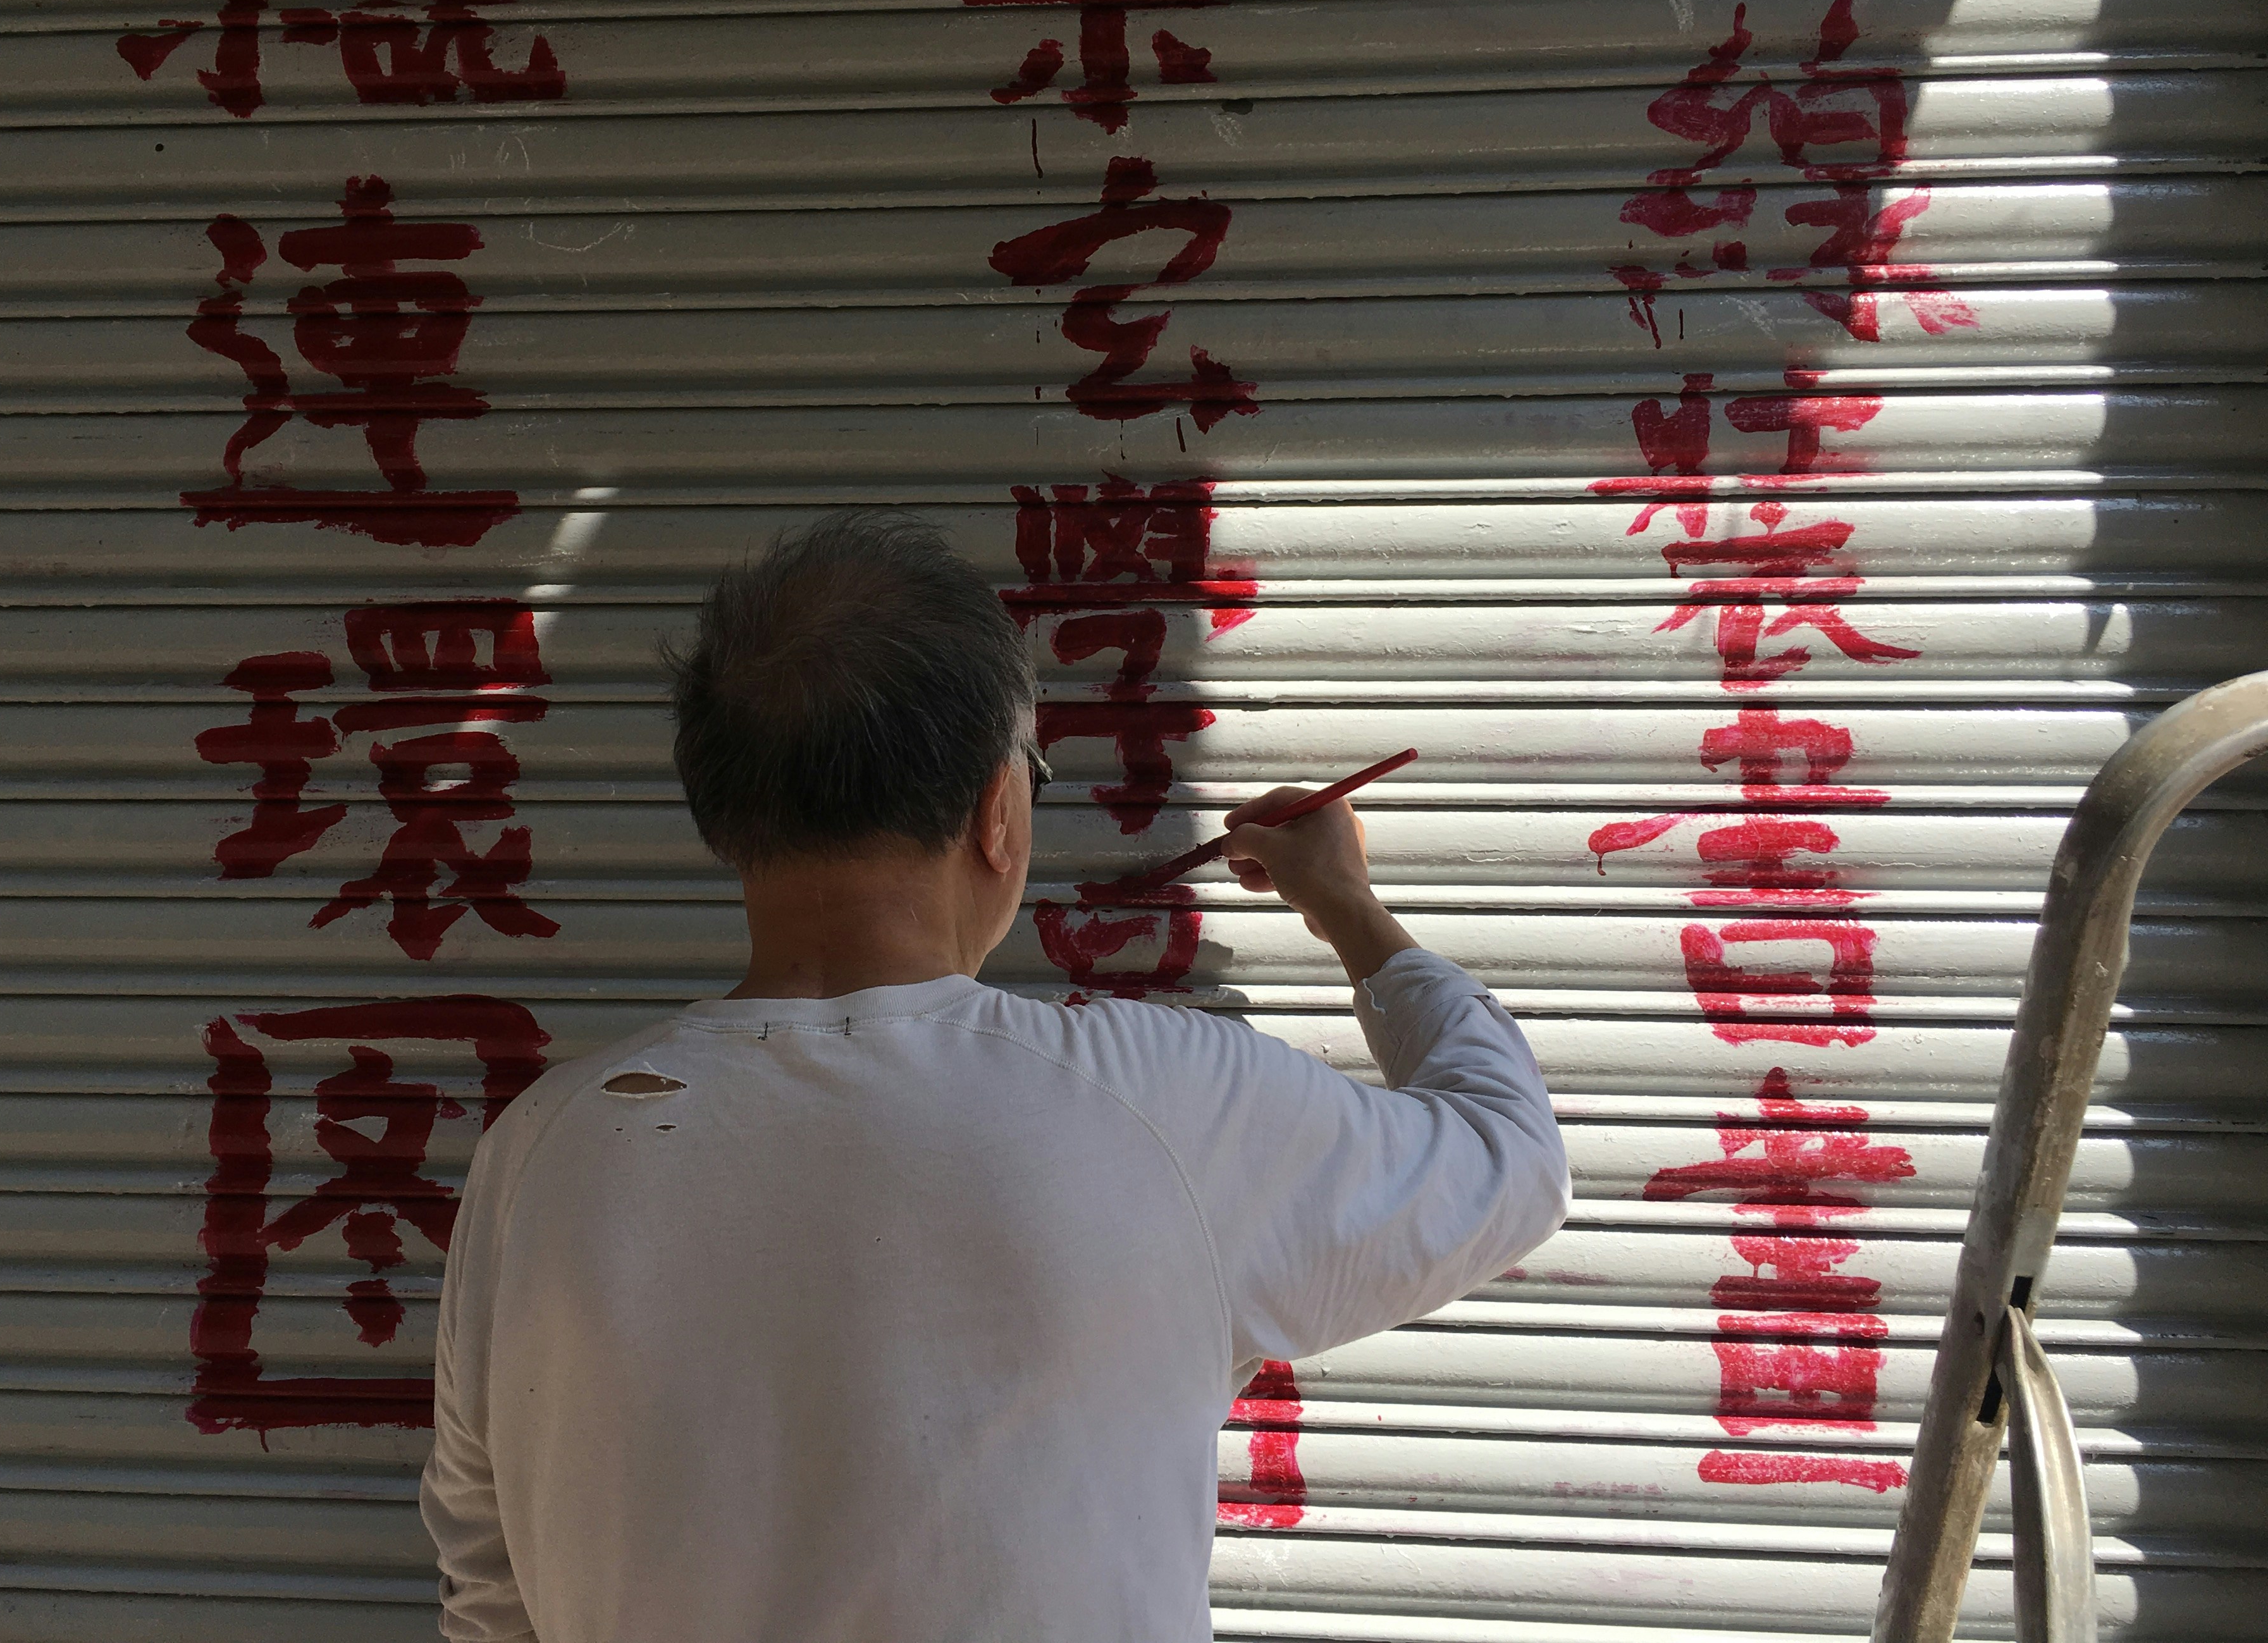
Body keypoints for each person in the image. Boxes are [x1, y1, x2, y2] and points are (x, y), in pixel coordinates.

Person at [421, 512, 1569, 1643]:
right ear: (997, 812)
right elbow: (1509, 1163)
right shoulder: (1160, 1106)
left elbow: (489, 1586)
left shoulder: (539, 1153)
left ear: (726, 812)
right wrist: (1349, 910)